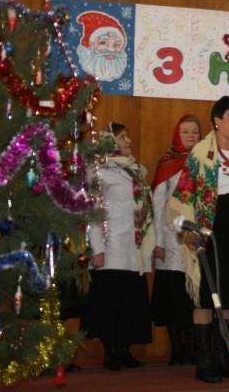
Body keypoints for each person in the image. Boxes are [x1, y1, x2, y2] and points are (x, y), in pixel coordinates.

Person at [166, 96, 229, 383]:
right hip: (209, 227)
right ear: (217, 120)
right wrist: (189, 230)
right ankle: (203, 362)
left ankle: (223, 357)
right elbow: (184, 191)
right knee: (206, 294)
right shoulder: (201, 152)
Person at [83, 122, 155, 371]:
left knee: (129, 301)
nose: (128, 142)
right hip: (111, 246)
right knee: (111, 301)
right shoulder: (98, 171)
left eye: (128, 137)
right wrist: (96, 248)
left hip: (133, 247)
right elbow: (93, 212)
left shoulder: (136, 171)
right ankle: (110, 351)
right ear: (109, 141)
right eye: (123, 137)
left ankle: (124, 349)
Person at [150, 114, 201, 365]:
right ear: (177, 135)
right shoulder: (167, 164)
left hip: (195, 242)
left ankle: (191, 348)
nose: (190, 136)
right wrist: (158, 242)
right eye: (185, 132)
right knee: (173, 299)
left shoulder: (204, 163)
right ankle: (177, 349)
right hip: (170, 241)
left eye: (195, 132)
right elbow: (157, 208)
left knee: (192, 299)